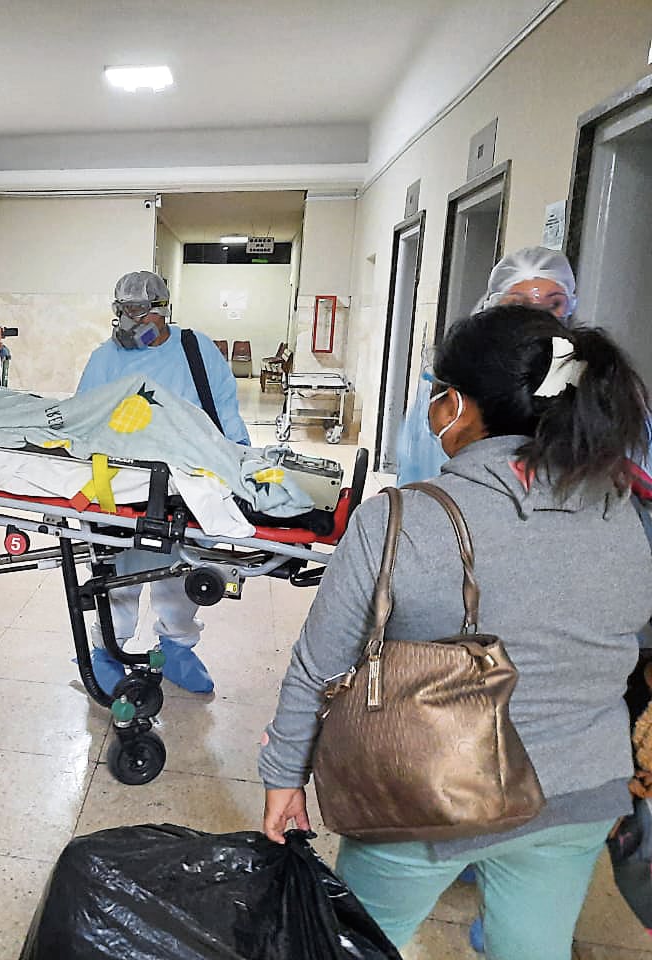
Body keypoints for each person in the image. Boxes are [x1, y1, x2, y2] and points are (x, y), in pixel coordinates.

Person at [260, 305, 652, 959]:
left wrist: (282, 779)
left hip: (425, 801)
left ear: (460, 407)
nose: (433, 408)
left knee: (353, 948)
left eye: (438, 393)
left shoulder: (401, 521)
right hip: (580, 797)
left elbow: (318, 668)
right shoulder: (624, 511)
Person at [75, 270, 251, 695]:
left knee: (182, 569)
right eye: (123, 312)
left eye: (140, 311)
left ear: (162, 310)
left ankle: (176, 647)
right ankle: (108, 651)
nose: (131, 322)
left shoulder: (196, 350)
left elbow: (223, 407)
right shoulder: (105, 359)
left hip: (190, 482)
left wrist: (240, 461)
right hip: (126, 487)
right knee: (120, 574)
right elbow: (81, 421)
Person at [396, 247, 577, 484]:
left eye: (553, 305)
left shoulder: (592, 384)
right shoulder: (451, 391)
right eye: (519, 305)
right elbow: (422, 469)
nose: (537, 319)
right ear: (493, 310)